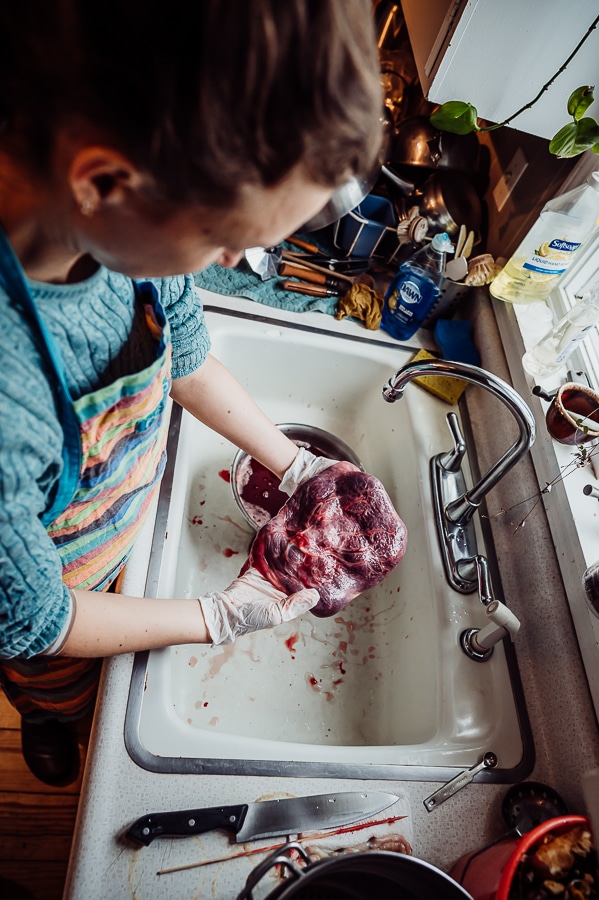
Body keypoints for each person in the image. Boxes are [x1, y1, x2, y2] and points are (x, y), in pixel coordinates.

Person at [0, 0, 383, 786]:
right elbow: (39, 618)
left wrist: (296, 467)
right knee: (58, 685)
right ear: (104, 179)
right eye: (224, 238)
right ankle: (51, 722)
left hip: (116, 536)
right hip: (54, 600)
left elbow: (185, 354)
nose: (243, 257)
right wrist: (218, 617)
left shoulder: (121, 234)